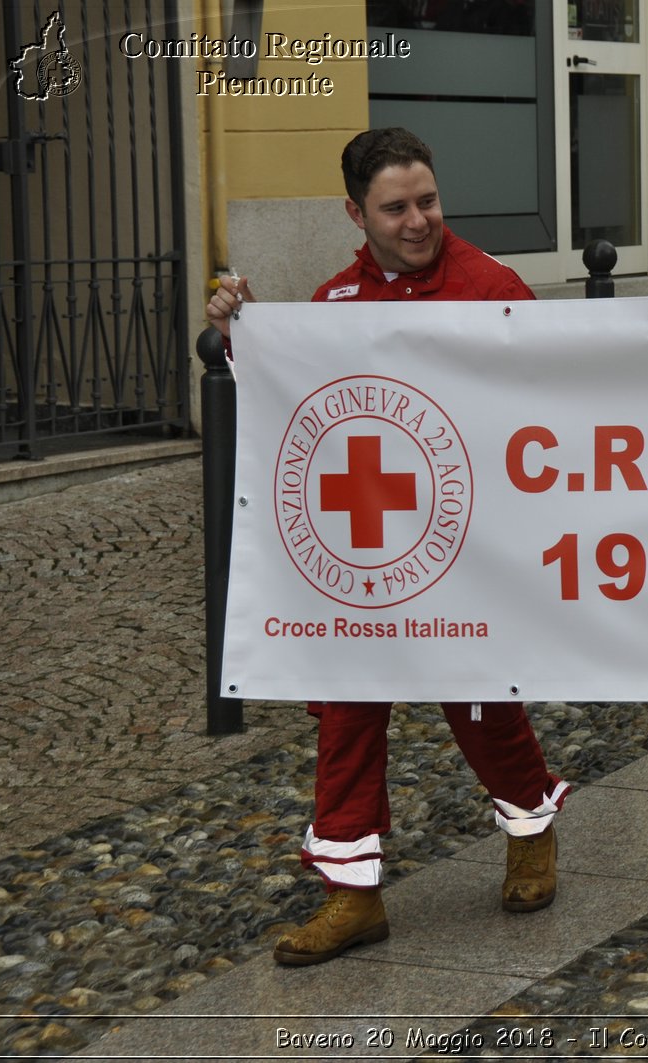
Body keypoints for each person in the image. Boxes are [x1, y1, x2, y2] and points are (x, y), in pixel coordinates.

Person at [206, 128, 570, 967]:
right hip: (367, 553)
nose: (418, 220)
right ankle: (352, 893)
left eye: (429, 200)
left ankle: (530, 828)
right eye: (397, 207)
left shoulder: (494, 289)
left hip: (468, 548)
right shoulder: (334, 303)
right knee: (346, 707)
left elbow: (550, 405)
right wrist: (244, 332)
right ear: (355, 213)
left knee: (479, 702)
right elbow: (295, 399)